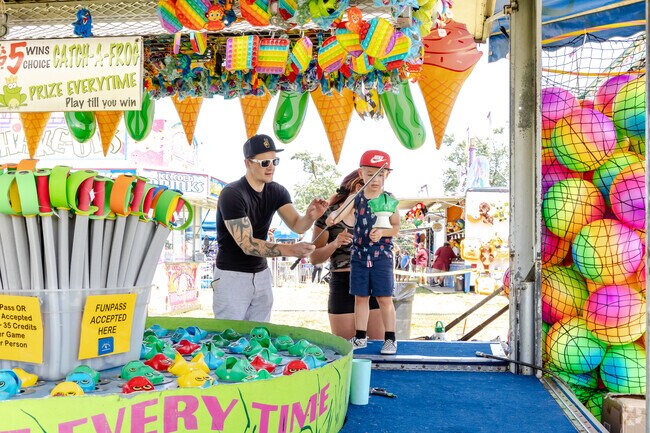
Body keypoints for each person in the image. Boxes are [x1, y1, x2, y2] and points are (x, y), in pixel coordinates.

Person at [213, 134, 328, 322]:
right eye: (265, 162)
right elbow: (247, 244)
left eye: (275, 161)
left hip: (262, 274)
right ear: (248, 163)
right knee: (229, 338)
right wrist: (291, 250)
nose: (271, 167)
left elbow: (298, 226)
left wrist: (309, 216)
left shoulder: (277, 191)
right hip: (231, 275)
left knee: (260, 337)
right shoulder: (232, 194)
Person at [327, 150, 399, 355]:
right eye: (369, 174)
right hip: (358, 255)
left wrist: (383, 233)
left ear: (387, 175)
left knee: (384, 298)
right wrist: (333, 216)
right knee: (361, 297)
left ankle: (391, 339)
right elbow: (338, 214)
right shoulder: (356, 197)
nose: (375, 179)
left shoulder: (389, 199)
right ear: (361, 173)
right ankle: (360, 337)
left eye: (380, 174)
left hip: (381, 256)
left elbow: (396, 227)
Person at [310, 171, 384, 340]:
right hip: (343, 283)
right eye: (372, 185)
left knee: (377, 348)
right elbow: (314, 258)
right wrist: (334, 244)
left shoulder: (377, 212)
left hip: (372, 280)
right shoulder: (329, 215)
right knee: (347, 349)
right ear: (358, 187)